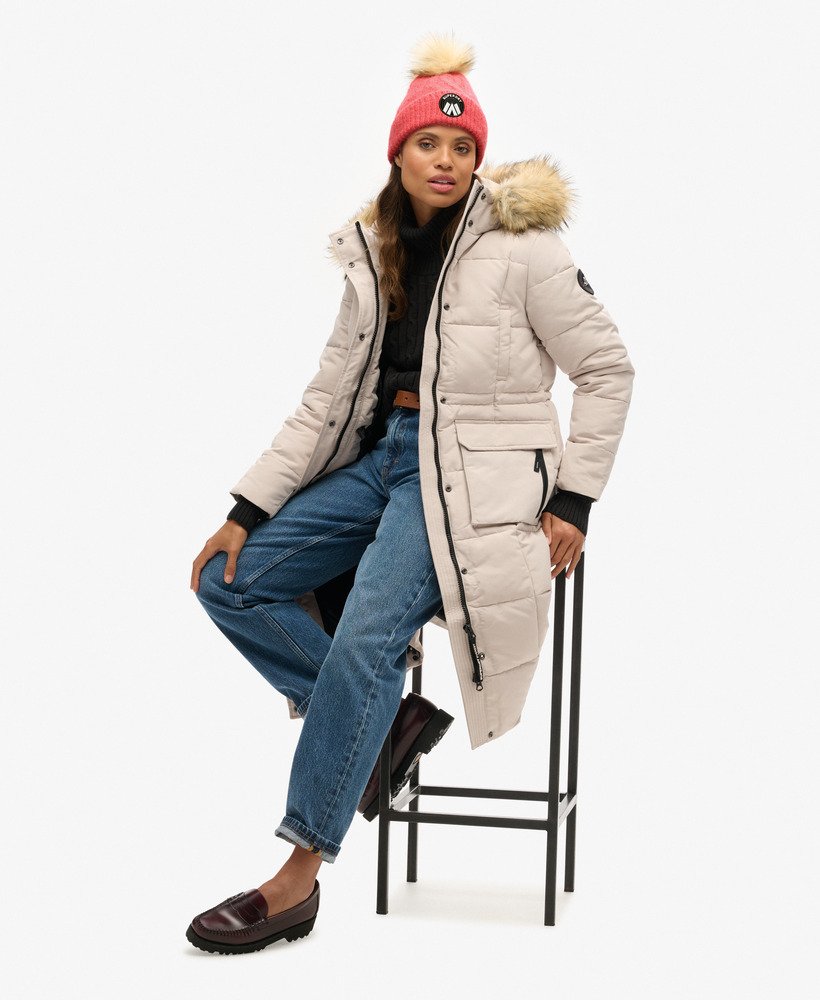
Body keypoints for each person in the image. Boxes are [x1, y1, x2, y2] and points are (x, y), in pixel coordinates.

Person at [185, 32, 635, 954]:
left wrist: (574, 500)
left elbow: (607, 368)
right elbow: (324, 399)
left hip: (466, 479)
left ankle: (297, 877)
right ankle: (385, 723)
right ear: (398, 152)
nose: (447, 159)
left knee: (365, 641)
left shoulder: (524, 248)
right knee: (230, 581)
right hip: (383, 456)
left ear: (479, 160)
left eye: (464, 146)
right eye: (429, 141)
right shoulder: (375, 251)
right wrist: (245, 511)